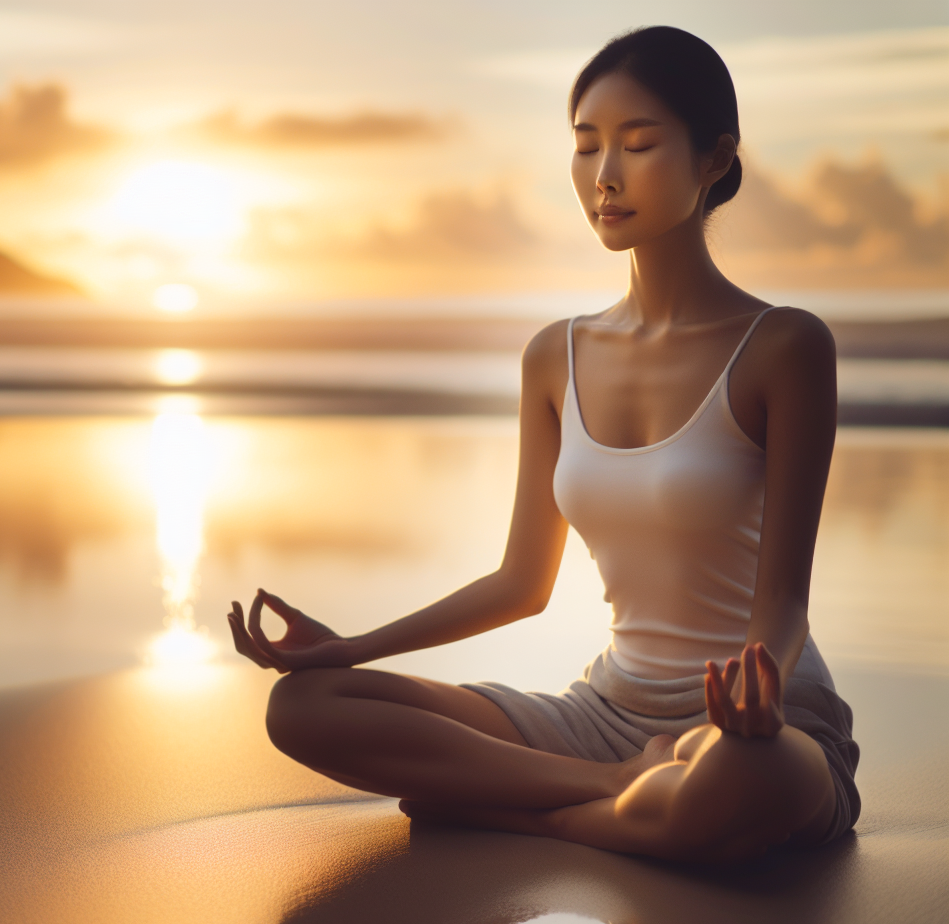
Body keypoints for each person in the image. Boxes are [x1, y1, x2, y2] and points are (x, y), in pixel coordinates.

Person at [227, 26, 860, 864]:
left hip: (754, 724)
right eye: (586, 146)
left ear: (715, 160)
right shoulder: (554, 357)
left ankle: (529, 810)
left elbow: (781, 603)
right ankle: (610, 796)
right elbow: (522, 583)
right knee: (304, 708)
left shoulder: (786, 347)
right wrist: (351, 646)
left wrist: (760, 684)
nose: (605, 176)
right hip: (601, 717)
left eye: (638, 145)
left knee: (734, 786)